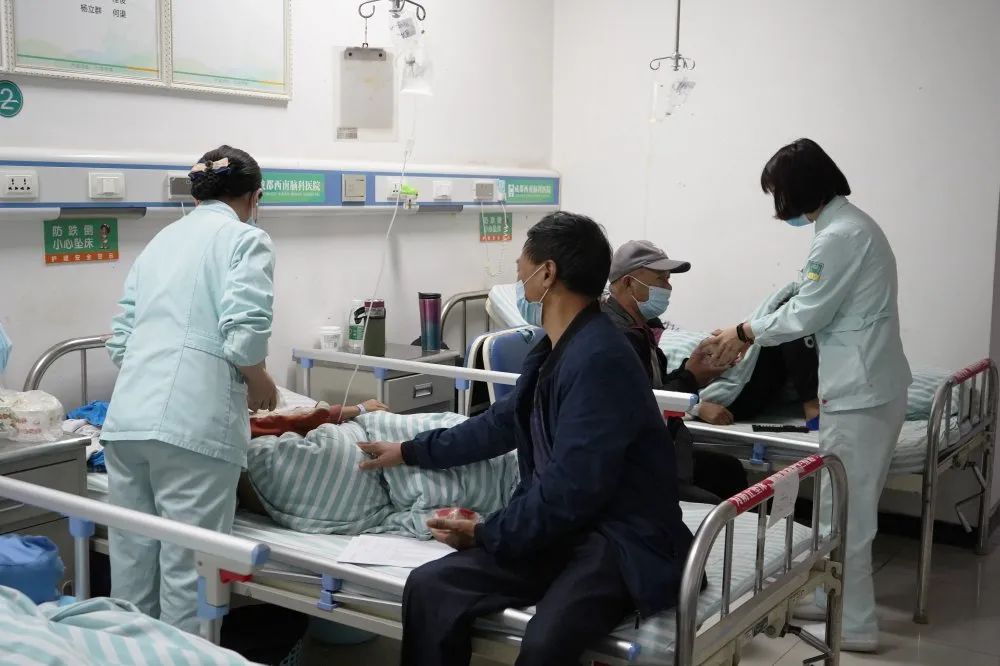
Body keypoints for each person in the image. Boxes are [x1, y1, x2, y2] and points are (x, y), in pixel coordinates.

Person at [358, 212, 694, 666]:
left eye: (522, 265)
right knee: (431, 587)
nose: (518, 275)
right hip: (563, 528)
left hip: (616, 537)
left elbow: (571, 488)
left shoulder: (601, 358)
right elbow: (499, 424)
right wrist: (409, 450)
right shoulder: (556, 348)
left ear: (547, 273)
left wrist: (489, 532)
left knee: (545, 642)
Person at [705, 138, 911, 652]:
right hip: (863, 387)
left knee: (848, 512)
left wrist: (744, 332)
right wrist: (747, 330)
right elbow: (807, 302)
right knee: (834, 506)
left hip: (860, 393)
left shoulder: (840, 236)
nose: (778, 205)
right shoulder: (848, 227)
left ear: (798, 189)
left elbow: (807, 313)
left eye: (778, 192)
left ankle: (855, 623)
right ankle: (826, 595)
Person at [101, 145, 278, 633]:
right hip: (192, 428)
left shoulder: (160, 241)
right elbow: (244, 331)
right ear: (254, 197)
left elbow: (121, 341)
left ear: (198, 194)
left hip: (128, 419)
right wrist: (259, 381)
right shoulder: (246, 238)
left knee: (131, 568)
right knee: (190, 573)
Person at [602, 240, 749, 504]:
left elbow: (655, 388)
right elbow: (644, 406)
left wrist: (694, 369)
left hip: (665, 450)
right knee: (720, 505)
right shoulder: (617, 337)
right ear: (628, 283)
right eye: (660, 279)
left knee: (730, 471)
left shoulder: (642, 328)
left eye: (668, 279)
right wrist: (691, 377)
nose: (668, 287)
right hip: (638, 465)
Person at [697, 295, 821, 428]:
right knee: (789, 316)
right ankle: (812, 408)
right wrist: (697, 408)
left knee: (788, 316)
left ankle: (813, 406)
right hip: (735, 395)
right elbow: (679, 390)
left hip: (752, 367)